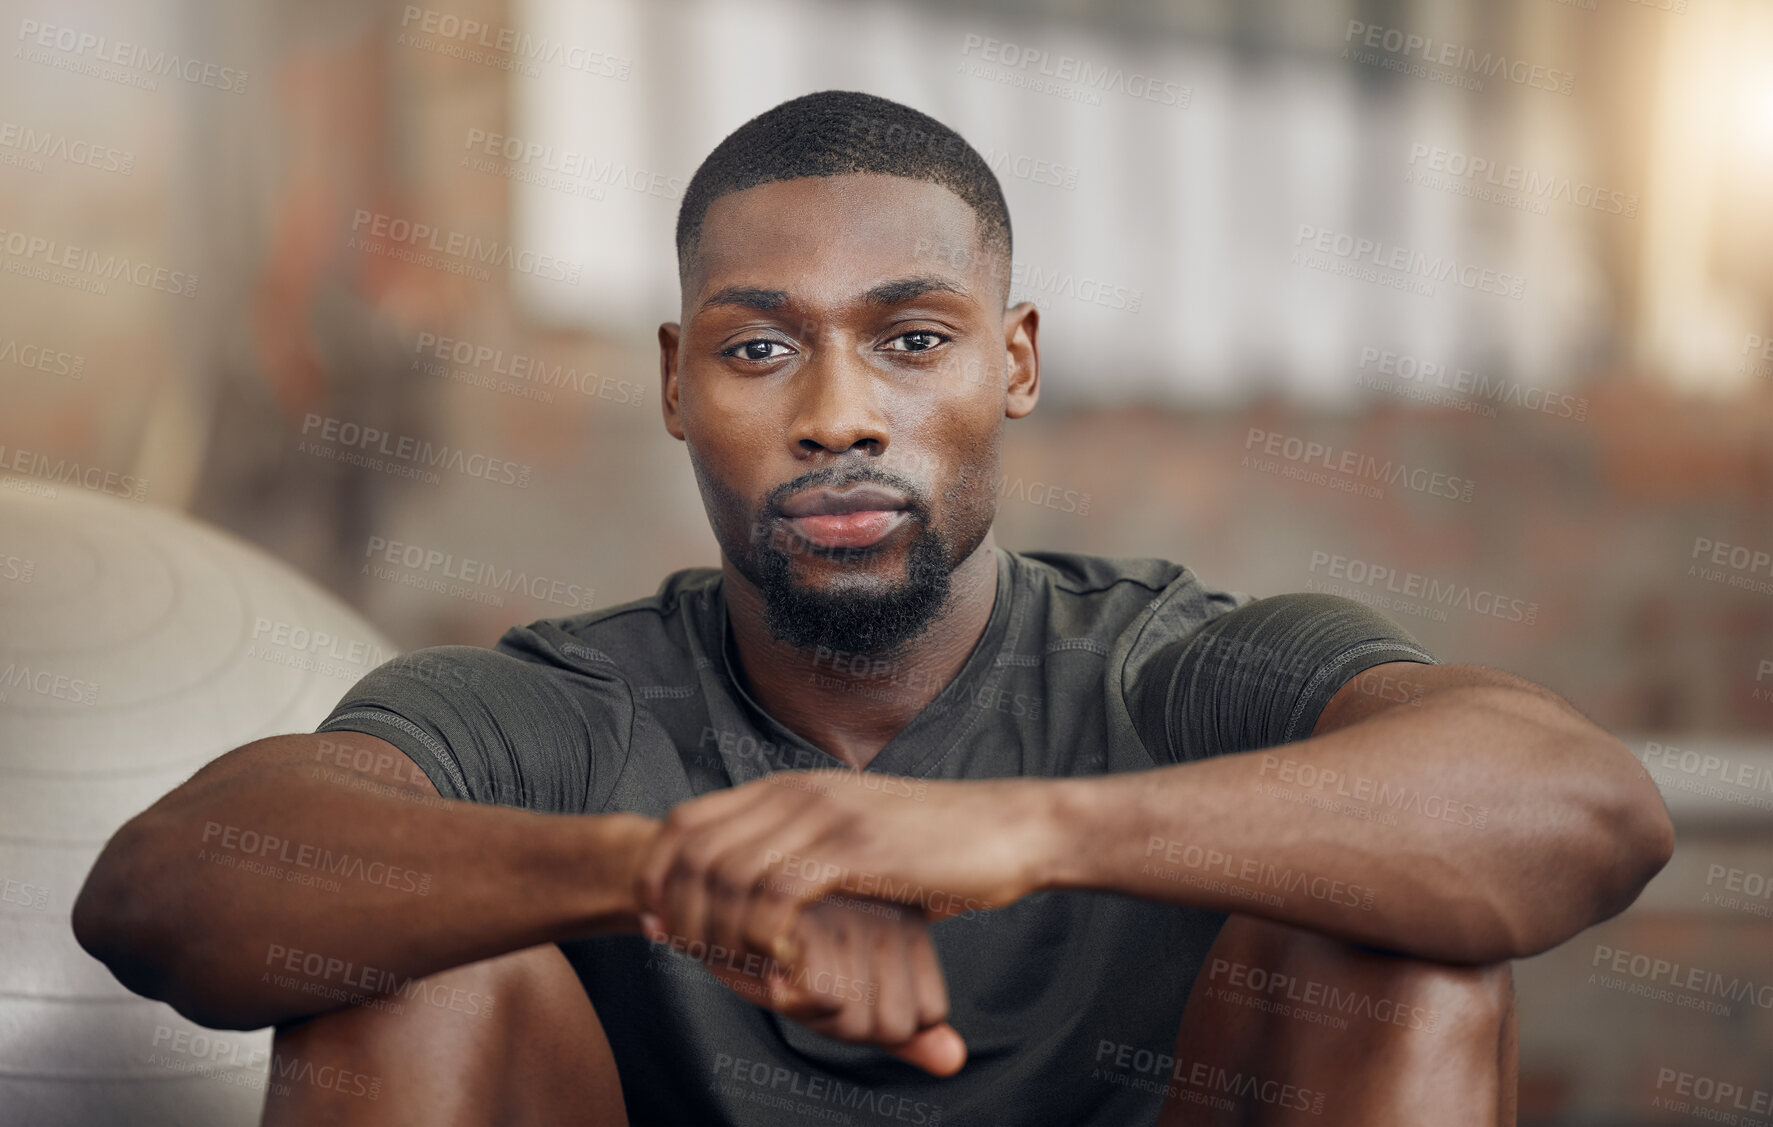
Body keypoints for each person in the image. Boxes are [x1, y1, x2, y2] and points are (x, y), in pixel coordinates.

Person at [74, 90, 1673, 1126]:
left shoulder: (1172, 664)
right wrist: (675, 875)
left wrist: (1034, 833)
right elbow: (161, 895)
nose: (838, 412)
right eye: (760, 347)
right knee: (409, 962)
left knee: (1402, 948)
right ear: (678, 386)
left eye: (911, 339)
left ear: (1015, 364)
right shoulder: (569, 706)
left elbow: (1586, 811)